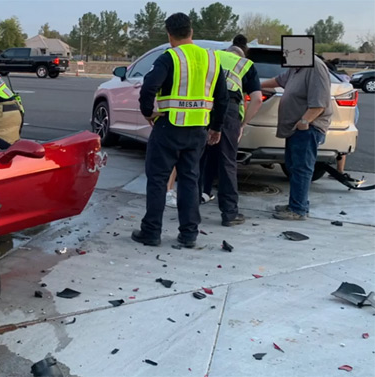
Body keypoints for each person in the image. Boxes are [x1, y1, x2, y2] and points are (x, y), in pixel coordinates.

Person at [132, 13, 228, 248]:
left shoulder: (170, 57)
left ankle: (151, 232)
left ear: (169, 34)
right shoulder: (212, 59)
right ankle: (189, 234)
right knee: (189, 180)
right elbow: (222, 98)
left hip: (169, 127)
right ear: (191, 31)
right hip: (197, 130)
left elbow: (149, 87)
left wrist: (148, 112)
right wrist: (216, 127)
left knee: (157, 180)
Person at [261, 54, 332, 220]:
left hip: (307, 128)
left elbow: (320, 103)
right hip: (296, 128)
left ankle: (298, 210)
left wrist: (304, 121)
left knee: (301, 168)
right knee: (294, 167)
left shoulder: (315, 67)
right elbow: (279, 81)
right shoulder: (297, 68)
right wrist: (254, 85)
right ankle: (297, 204)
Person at [199, 44, 263, 226]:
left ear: (226, 52)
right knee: (227, 162)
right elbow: (257, 99)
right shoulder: (245, 64)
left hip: (202, 107)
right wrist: (242, 124)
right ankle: (229, 213)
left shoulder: (209, 56)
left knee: (195, 156)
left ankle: (191, 206)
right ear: (239, 55)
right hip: (228, 111)